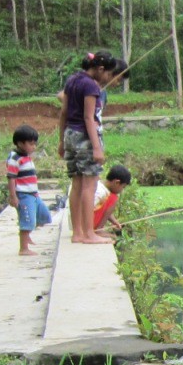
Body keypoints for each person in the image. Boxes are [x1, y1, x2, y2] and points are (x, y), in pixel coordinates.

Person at [57, 50, 127, 245]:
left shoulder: (72, 80)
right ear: (100, 69)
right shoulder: (90, 86)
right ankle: (89, 233)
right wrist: (97, 147)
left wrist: (61, 141)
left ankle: (78, 232)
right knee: (90, 185)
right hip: (85, 138)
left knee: (77, 184)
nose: (107, 78)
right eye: (108, 74)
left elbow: (64, 112)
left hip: (70, 134)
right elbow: (89, 118)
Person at [7, 125, 51, 257]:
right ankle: (23, 248)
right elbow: (11, 178)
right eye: (31, 144)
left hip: (33, 194)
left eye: (34, 144)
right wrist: (13, 196)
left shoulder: (26, 156)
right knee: (27, 220)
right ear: (20, 143)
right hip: (24, 195)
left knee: (44, 216)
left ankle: (27, 235)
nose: (34, 147)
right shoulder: (15, 159)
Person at [92, 165, 132, 233]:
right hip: (85, 225)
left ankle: (98, 230)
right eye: (123, 187)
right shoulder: (100, 192)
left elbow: (101, 209)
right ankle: (99, 230)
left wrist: (114, 221)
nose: (122, 190)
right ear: (117, 182)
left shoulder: (103, 188)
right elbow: (87, 210)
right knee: (114, 198)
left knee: (113, 197)